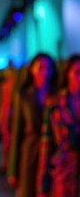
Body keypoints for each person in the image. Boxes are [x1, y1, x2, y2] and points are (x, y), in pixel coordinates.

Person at [7, 53, 58, 197]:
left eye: (48, 68)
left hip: (51, 153)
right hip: (29, 152)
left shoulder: (56, 96)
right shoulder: (23, 96)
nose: (45, 72)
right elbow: (16, 133)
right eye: (40, 67)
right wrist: (13, 168)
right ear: (32, 69)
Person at [37, 54, 80, 196]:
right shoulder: (55, 104)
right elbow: (46, 144)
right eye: (77, 73)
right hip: (64, 171)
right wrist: (43, 184)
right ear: (68, 74)